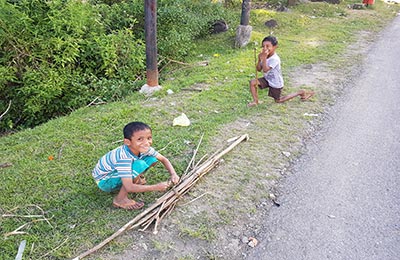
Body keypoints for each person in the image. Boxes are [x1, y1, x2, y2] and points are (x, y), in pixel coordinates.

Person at [92, 121, 180, 210]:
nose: (146, 143)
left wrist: (173, 174)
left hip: (117, 173)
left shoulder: (144, 148)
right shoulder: (124, 157)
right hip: (105, 181)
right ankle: (120, 200)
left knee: (152, 159)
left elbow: (163, 159)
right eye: (140, 139)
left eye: (149, 138)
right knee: (139, 165)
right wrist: (156, 187)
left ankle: (136, 179)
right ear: (127, 142)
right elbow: (129, 187)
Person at [247, 36, 314, 107]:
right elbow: (258, 69)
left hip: (276, 82)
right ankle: (255, 101)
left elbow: (265, 70)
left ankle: (300, 92)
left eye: (268, 46)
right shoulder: (264, 56)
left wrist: (263, 59)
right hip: (267, 79)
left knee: (278, 100)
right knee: (253, 82)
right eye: (263, 46)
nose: (265, 48)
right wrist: (259, 59)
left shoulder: (275, 59)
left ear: (275, 47)